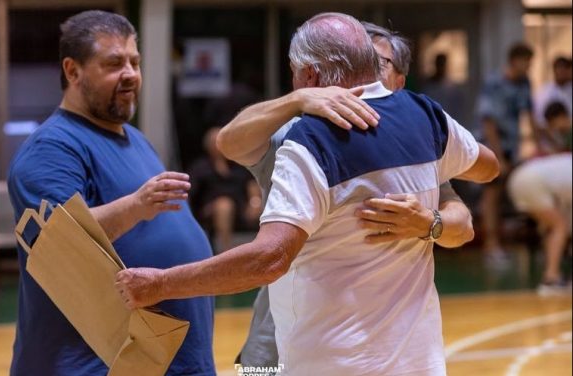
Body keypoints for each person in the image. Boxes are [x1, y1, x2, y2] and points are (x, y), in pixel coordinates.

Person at [116, 13, 499, 375]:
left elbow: (269, 258)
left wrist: (161, 284)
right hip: (399, 356)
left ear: (310, 74)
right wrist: (298, 101)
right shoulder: (426, 118)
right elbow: (487, 166)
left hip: (331, 357)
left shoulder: (312, 140)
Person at [227, 21, 477, 369]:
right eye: (362, 59)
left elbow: (464, 224)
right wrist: (297, 99)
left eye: (379, 63)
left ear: (399, 82)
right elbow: (228, 141)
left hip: (361, 345)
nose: (367, 71)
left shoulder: (417, 142)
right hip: (277, 328)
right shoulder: (300, 135)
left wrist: (428, 222)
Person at [7, 11, 214, 376]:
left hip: (169, 360)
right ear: (73, 71)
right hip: (92, 366)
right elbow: (57, 246)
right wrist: (137, 206)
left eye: (135, 61)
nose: (131, 74)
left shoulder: (136, 140)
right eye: (114, 63)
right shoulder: (52, 147)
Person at [477, 42, 535, 264]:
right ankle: (491, 245)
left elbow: (530, 116)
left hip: (513, 147)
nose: (528, 67)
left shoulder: (525, 83)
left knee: (505, 196)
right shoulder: (494, 83)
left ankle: (502, 242)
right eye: (525, 62)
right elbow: (488, 121)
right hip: (492, 146)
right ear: (514, 60)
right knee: (491, 195)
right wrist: (498, 156)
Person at [188, 127, 262, 252]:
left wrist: (255, 202)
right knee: (224, 205)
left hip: (240, 208)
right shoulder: (200, 167)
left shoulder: (239, 165)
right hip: (211, 209)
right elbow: (191, 193)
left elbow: (251, 185)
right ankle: (226, 250)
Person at [507, 152, 571, 295]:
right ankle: (551, 278)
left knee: (555, 226)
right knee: (560, 226)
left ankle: (552, 276)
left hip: (518, 177)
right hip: (532, 181)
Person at [534, 56, 572, 129]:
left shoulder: (570, 89)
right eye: (560, 69)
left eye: (565, 69)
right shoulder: (545, 92)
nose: (562, 72)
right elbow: (539, 120)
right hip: (550, 134)